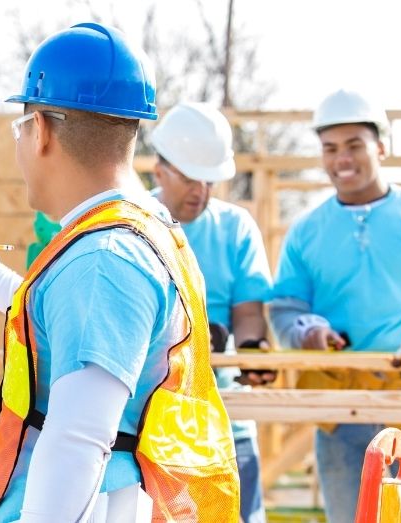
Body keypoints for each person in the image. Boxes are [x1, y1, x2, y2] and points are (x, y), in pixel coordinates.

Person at [0, 23, 239, 522]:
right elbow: (90, 336)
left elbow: (78, 439)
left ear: (42, 130)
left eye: (20, 126)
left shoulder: (103, 259)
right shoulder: (138, 234)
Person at [269, 88, 401, 523]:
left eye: (354, 145)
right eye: (331, 148)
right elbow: (285, 309)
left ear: (382, 147)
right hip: (340, 406)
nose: (342, 159)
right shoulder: (306, 233)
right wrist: (307, 331)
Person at [150, 102, 273, 523]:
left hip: (227, 416)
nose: (200, 191)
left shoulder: (235, 227)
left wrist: (253, 348)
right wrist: (193, 335)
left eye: (209, 180)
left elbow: (249, 312)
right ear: (158, 170)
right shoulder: (136, 223)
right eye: (188, 177)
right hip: (154, 421)